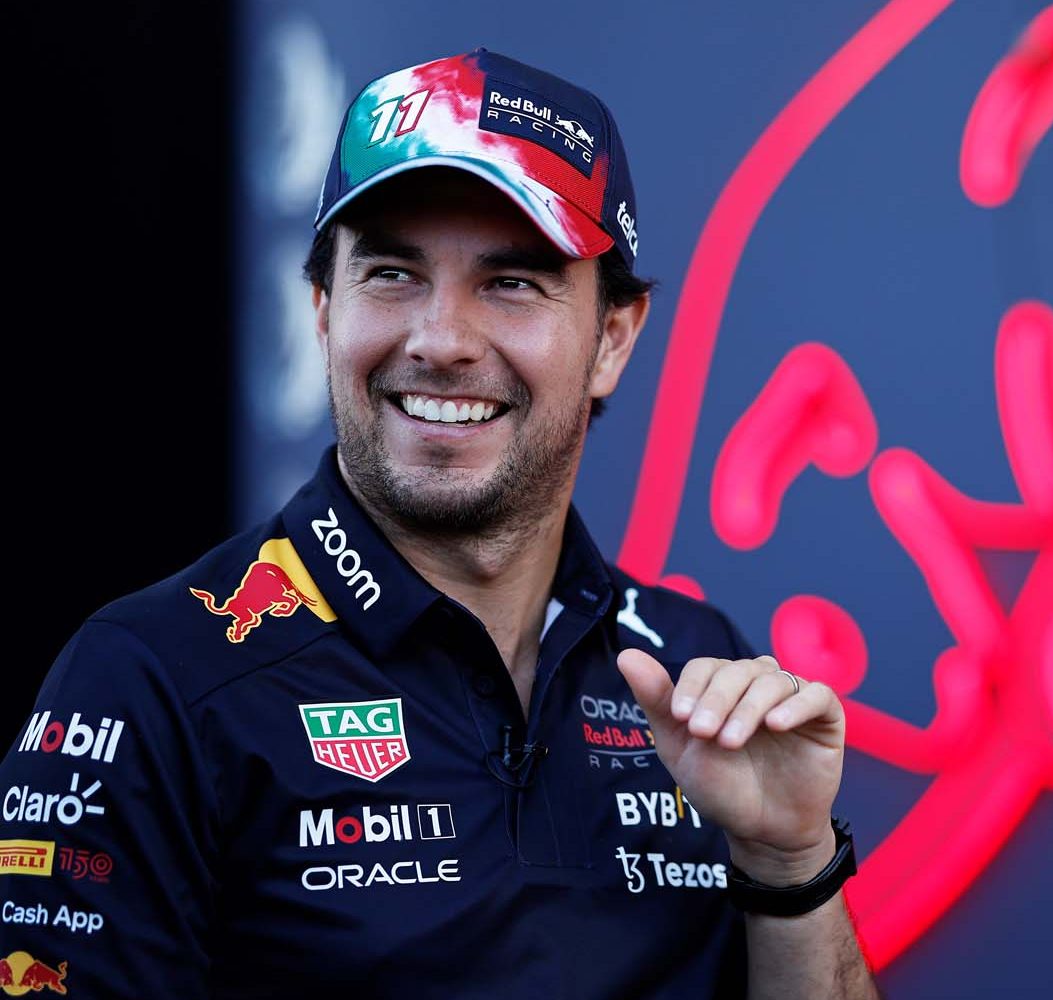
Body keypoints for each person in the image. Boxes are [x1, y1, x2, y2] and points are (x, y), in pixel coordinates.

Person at [0, 49, 879, 999]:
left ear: (613, 340)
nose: (442, 339)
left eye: (512, 282)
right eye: (390, 273)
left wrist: (789, 860)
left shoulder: (697, 679)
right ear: (324, 311)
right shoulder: (147, 682)